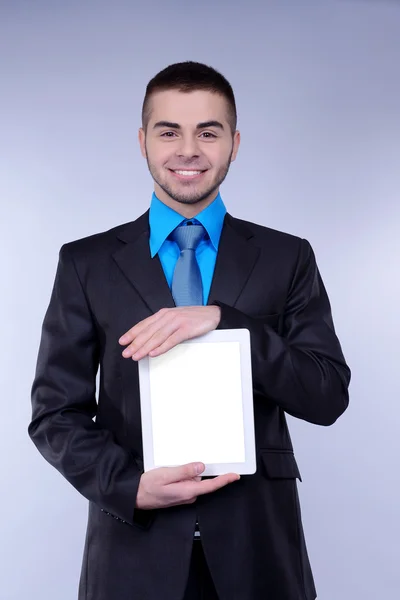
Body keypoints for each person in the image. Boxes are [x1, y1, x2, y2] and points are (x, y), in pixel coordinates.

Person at [29, 61, 351, 600]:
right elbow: (55, 414)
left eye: (208, 131)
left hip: (259, 551)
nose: (188, 150)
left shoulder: (287, 257)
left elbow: (327, 395)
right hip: (135, 553)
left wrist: (230, 322)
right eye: (169, 131)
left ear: (234, 142)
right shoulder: (86, 263)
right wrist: (130, 487)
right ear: (142, 141)